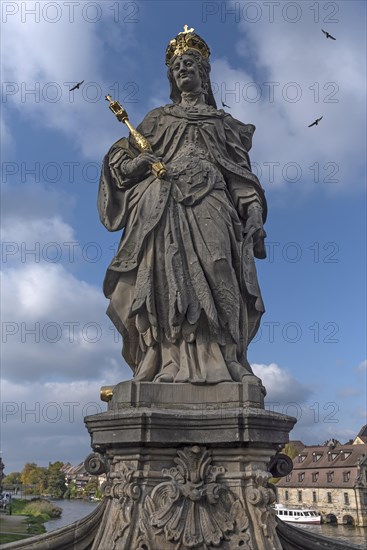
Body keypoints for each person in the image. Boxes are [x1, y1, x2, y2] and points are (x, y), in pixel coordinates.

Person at [98, 27, 267, 384]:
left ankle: (228, 359)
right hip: (164, 204)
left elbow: (240, 176)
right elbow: (123, 161)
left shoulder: (225, 124)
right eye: (176, 67)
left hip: (212, 199)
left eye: (189, 64)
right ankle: (162, 360)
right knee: (162, 280)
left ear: (204, 74)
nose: (182, 70)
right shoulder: (158, 119)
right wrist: (140, 164)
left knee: (222, 267)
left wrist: (253, 212)